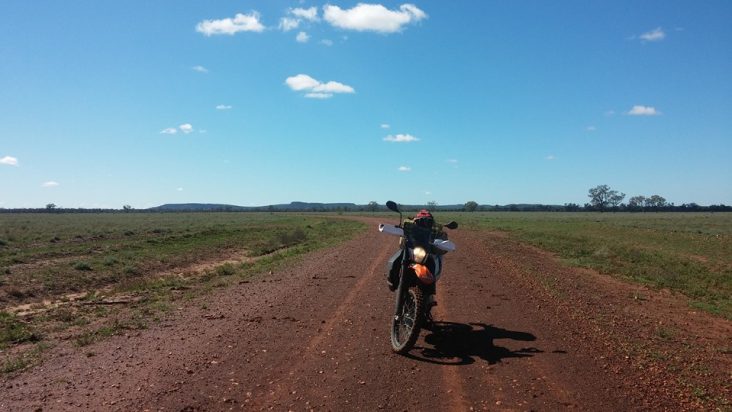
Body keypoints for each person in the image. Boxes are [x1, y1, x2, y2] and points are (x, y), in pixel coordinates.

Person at [385, 209, 448, 317]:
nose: (424, 222)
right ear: (416, 220)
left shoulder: (437, 229)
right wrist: (398, 229)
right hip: (411, 250)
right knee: (396, 260)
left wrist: (441, 243)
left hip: (426, 252)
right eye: (421, 220)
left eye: (427, 221)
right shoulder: (408, 225)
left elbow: (443, 244)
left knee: (432, 266)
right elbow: (401, 239)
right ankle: (393, 281)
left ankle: (429, 295)